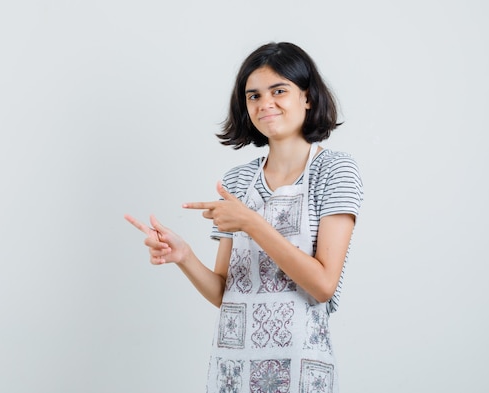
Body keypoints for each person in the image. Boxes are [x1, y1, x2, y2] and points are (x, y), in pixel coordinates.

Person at [124, 42, 363, 393]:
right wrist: (184, 256)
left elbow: (323, 285)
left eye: (279, 90)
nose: (265, 103)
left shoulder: (335, 170)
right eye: (253, 96)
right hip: (233, 369)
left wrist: (251, 222)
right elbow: (225, 292)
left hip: (301, 368)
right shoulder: (237, 181)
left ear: (307, 97)